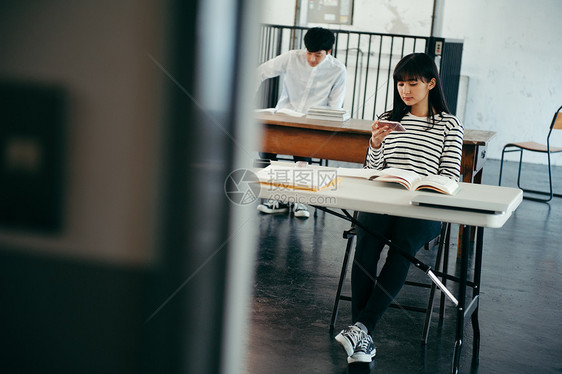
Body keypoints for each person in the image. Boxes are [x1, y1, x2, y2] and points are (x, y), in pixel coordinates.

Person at [334, 53, 464, 364]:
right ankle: (362, 336)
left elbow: (449, 176)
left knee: (402, 246)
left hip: (424, 204)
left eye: (413, 83)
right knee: (365, 243)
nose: (405, 89)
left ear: (430, 83)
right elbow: (372, 168)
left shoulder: (449, 125)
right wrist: (376, 144)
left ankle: (361, 328)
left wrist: (421, 183)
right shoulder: (390, 118)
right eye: (400, 83)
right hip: (383, 198)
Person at [256, 27, 347, 219]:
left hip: (312, 123)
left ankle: (299, 198)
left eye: (318, 55)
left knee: (304, 152)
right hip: (284, 116)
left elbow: (335, 107)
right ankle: (275, 198)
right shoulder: (291, 57)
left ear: (328, 52)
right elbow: (260, 72)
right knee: (267, 145)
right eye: (309, 53)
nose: (312, 59)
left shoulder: (338, 70)